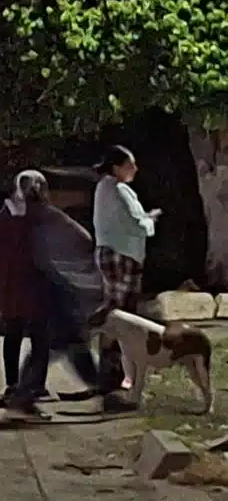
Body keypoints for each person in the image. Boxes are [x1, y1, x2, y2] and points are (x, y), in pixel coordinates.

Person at [5, 169, 104, 419]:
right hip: (56, 288)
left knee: (68, 342)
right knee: (55, 343)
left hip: (51, 287)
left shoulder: (26, 216)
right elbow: (78, 241)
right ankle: (24, 396)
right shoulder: (45, 217)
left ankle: (100, 386)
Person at [92, 144, 160, 402]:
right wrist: (150, 220)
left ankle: (113, 373)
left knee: (116, 312)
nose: (135, 169)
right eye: (130, 165)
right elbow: (136, 224)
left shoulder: (103, 188)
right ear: (116, 167)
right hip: (123, 255)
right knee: (121, 316)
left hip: (109, 252)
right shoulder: (119, 190)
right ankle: (114, 374)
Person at [0, 171, 48, 401]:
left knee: (38, 334)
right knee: (16, 332)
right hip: (15, 282)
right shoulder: (10, 214)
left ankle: (36, 383)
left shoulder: (37, 213)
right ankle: (14, 383)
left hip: (34, 281)